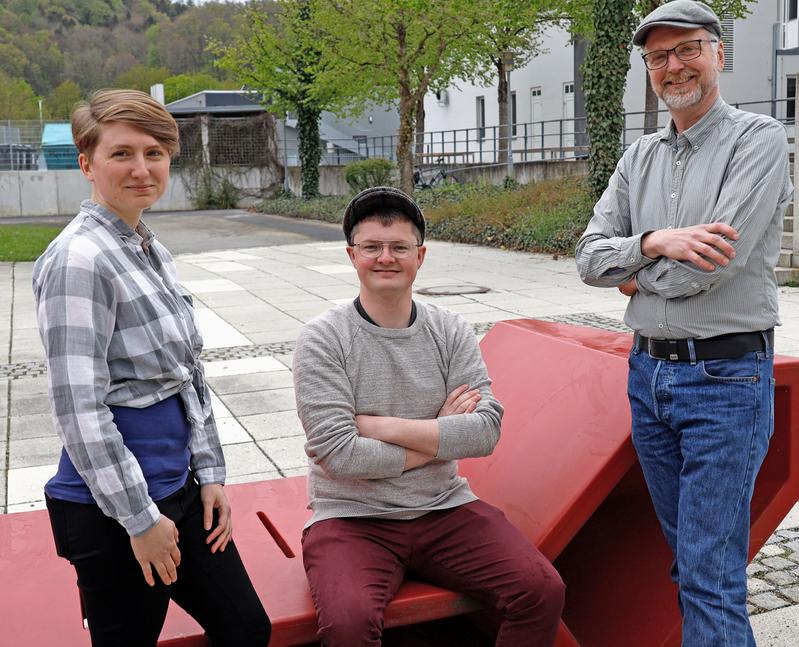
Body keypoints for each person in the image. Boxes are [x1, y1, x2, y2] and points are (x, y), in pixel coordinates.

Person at [575, 1, 792, 644]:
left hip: (726, 380)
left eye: (687, 49)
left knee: (709, 575)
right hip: (649, 380)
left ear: (718, 52)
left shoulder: (757, 141)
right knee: (688, 563)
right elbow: (588, 256)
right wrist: (656, 242)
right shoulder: (637, 157)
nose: (674, 66)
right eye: (659, 56)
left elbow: (711, 269)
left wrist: (637, 277)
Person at [32, 89, 270, 647]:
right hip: (113, 510)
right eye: (121, 154)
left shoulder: (145, 245)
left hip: (180, 489)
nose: (142, 168)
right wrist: (139, 521)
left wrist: (209, 474)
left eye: (155, 152)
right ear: (87, 163)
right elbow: (79, 410)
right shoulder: (79, 260)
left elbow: (188, 375)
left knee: (246, 630)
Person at [292, 186, 565, 646]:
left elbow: (484, 432)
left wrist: (381, 426)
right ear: (350, 255)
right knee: (349, 625)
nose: (386, 258)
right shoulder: (323, 339)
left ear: (420, 256)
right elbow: (339, 455)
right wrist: (439, 436)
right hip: (352, 516)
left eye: (399, 247)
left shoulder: (449, 329)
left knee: (540, 589)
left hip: (444, 506)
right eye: (371, 247)